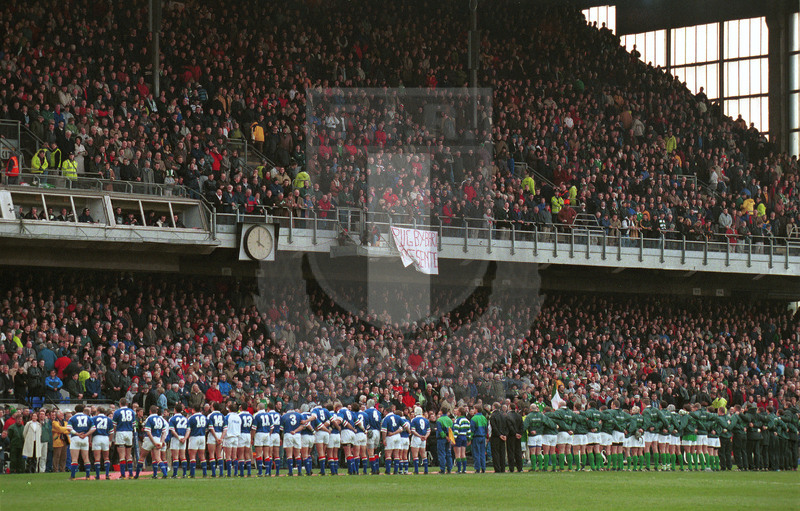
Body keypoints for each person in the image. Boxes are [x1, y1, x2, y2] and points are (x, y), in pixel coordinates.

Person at [138, 405, 168, 479]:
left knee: (142, 456)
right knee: (158, 458)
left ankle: (136, 475)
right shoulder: (161, 419)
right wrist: (161, 442)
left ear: (150, 411)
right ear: (157, 411)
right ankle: (164, 473)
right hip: (158, 438)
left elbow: (148, 432)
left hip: (149, 439)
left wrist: (153, 442)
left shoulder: (149, 418)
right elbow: (164, 432)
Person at [67, 404, 93, 479]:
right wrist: (86, 434)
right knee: (86, 458)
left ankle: (73, 476)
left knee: (74, 458)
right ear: (83, 410)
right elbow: (93, 428)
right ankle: (88, 476)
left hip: (76, 438)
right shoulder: (88, 417)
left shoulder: (72, 418)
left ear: (75, 410)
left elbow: (68, 428)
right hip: (84, 438)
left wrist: (77, 433)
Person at [112, 398, 136, 478]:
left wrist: (115, 434)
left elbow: (114, 425)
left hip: (120, 432)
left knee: (121, 455)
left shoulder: (117, 412)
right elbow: (134, 424)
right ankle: (131, 474)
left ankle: (122, 474)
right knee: (129, 455)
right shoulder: (132, 412)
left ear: (120, 403)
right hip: (129, 432)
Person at [90, 407, 112, 479]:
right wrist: (110, 441)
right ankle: (107, 474)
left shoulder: (93, 419)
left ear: (98, 411)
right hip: (105, 437)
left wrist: (90, 440)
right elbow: (111, 432)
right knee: (106, 457)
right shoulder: (108, 419)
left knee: (97, 458)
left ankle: (97, 475)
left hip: (97, 437)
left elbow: (91, 430)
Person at [186, 406, 208, 478]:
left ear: (193, 409)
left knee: (192, 455)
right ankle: (204, 473)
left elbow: (188, 429)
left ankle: (192, 473)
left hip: (194, 436)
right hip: (202, 437)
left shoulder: (191, 418)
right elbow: (207, 428)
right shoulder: (204, 417)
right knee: (202, 455)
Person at [279, 406, 302, 476]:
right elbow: (302, 425)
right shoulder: (299, 415)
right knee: (297, 455)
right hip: (297, 434)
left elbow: (281, 429)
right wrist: (295, 431)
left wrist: (281, 437)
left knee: (289, 455)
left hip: (288, 434)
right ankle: (299, 471)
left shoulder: (284, 416)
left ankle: (290, 471)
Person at [168, 403, 188, 478]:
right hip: (183, 437)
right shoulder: (185, 419)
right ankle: (184, 474)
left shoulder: (172, 419)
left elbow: (172, 430)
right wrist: (185, 438)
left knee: (175, 457)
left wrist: (178, 438)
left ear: (175, 410)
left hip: (176, 438)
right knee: (183, 456)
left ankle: (175, 474)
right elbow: (188, 430)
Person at [310, 402, 331, 475]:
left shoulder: (314, 411)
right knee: (324, 452)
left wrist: (319, 428)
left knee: (320, 452)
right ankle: (323, 468)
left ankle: (322, 470)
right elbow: (330, 420)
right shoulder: (326, 410)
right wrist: (326, 429)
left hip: (320, 433)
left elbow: (315, 419)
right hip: (326, 433)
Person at [251, 402, 271, 476]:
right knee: (266, 454)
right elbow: (272, 427)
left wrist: (251, 438)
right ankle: (268, 472)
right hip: (267, 434)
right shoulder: (268, 415)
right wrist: (269, 434)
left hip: (259, 433)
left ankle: (260, 472)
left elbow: (254, 428)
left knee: (259, 453)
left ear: (258, 408)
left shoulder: (256, 415)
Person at [409, 406, 431, 474]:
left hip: (417, 438)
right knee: (423, 454)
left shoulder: (414, 420)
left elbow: (413, 430)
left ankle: (416, 470)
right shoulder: (426, 420)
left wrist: (419, 436)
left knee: (415, 454)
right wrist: (425, 437)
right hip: (423, 438)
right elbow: (428, 430)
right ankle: (426, 470)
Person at [206, 402, 225, 477]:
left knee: (211, 453)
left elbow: (210, 427)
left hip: (213, 435)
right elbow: (225, 428)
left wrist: (216, 438)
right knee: (219, 454)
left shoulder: (210, 415)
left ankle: (213, 473)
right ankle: (221, 472)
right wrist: (221, 438)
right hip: (220, 433)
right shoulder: (222, 416)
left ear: (213, 407)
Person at [364, 400, 382, 475]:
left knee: (370, 451)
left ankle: (373, 470)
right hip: (378, 431)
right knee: (376, 451)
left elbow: (366, 421)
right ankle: (377, 469)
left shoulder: (367, 411)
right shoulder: (378, 412)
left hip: (371, 431)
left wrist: (367, 429)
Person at [436, 405, 454, 474]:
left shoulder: (439, 420)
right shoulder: (450, 420)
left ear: (441, 411)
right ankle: (449, 468)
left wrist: (445, 436)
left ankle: (442, 469)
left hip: (441, 439)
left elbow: (440, 431)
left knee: (441, 454)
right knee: (448, 453)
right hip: (449, 438)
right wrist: (450, 438)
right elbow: (451, 430)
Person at [489, 402, 507, 473]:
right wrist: (504, 435)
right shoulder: (503, 415)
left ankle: (497, 468)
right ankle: (503, 468)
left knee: (495, 453)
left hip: (496, 436)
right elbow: (506, 426)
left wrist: (499, 435)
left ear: (493, 407)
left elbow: (494, 427)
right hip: (503, 436)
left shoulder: (493, 416)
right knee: (502, 453)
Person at [505, 403, 523, 472]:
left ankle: (511, 468)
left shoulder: (508, 416)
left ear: (509, 407)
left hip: (511, 436)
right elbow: (522, 426)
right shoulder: (519, 416)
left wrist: (515, 433)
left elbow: (510, 426)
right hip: (518, 436)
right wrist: (520, 433)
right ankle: (520, 468)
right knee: (518, 452)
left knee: (511, 452)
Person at [453, 406, 471, 473]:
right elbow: (469, 431)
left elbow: (456, 430)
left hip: (459, 437)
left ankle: (459, 469)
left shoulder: (457, 420)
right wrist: (469, 439)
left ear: (460, 413)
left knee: (457, 454)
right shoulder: (467, 420)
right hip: (464, 437)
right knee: (463, 454)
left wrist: (453, 439)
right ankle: (464, 469)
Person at [470, 405, 488, 473]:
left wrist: (470, 438)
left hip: (476, 437)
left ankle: (477, 468)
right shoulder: (484, 418)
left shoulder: (474, 418)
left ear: (476, 410)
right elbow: (486, 428)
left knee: (476, 453)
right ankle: (483, 468)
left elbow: (472, 430)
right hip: (483, 437)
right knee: (482, 453)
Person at [238, 406, 254, 477]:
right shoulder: (251, 416)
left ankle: (241, 472)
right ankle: (249, 471)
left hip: (242, 434)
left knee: (241, 453)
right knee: (247, 453)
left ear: (241, 408)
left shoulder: (239, 415)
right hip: (248, 434)